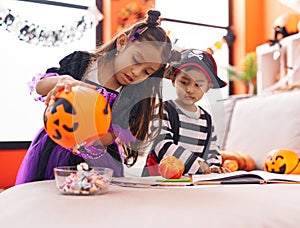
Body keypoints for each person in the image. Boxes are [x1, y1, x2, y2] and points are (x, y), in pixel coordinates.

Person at [16, 9, 176, 184]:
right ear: (122, 43)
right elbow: (40, 87)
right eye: (136, 59)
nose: (136, 72)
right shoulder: (82, 63)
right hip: (55, 148)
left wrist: (85, 139)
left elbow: (110, 137)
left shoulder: (130, 96)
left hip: (98, 159)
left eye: (147, 72)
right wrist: (63, 80)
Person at [142, 49, 230, 176]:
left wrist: (214, 168)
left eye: (198, 85)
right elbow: (162, 144)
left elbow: (212, 151)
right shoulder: (163, 109)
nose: (189, 89)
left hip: (192, 181)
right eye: (184, 82)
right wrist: (200, 166)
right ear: (173, 80)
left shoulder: (206, 119)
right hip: (159, 180)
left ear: (207, 87)